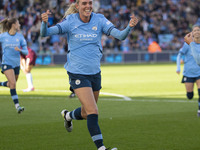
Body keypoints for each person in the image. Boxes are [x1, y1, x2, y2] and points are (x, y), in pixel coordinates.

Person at [40, 0, 138, 149]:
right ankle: (101, 147)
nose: (88, 6)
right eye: (84, 3)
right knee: (93, 111)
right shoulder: (70, 21)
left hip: (95, 73)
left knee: (87, 112)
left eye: (90, 3)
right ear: (77, 6)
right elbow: (45, 33)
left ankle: (68, 116)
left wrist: (129, 27)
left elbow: (120, 36)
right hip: (77, 73)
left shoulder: (99, 19)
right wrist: (44, 23)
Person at [0, 18, 28, 114]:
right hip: (6, 63)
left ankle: (0, 84)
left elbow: (26, 51)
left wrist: (20, 50)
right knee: (13, 84)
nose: (19, 25)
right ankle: (17, 106)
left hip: (16, 64)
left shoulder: (20, 37)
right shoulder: (3, 36)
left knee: (12, 83)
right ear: (13, 25)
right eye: (18, 23)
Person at [177, 24, 200, 117]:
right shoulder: (188, 44)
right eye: (195, 30)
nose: (197, 32)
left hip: (199, 72)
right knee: (189, 96)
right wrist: (178, 67)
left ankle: (199, 109)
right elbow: (179, 55)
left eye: (198, 30)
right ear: (192, 33)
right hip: (188, 72)